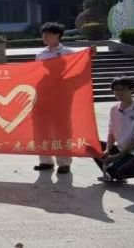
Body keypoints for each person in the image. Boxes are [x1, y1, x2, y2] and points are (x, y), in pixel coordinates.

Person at [35, 22, 77, 174]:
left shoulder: (68, 52)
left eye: (48, 34)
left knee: (62, 129)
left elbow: (78, 67)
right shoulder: (40, 54)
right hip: (42, 94)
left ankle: (64, 163)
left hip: (61, 96)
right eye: (43, 34)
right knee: (42, 128)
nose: (45, 37)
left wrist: (90, 54)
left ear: (57, 35)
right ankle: (45, 161)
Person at [95, 77, 134, 185]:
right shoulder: (114, 109)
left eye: (123, 89)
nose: (119, 92)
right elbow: (111, 132)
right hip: (121, 148)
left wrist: (115, 157)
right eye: (116, 89)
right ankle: (111, 171)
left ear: (132, 90)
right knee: (93, 146)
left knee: (118, 172)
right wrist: (107, 150)